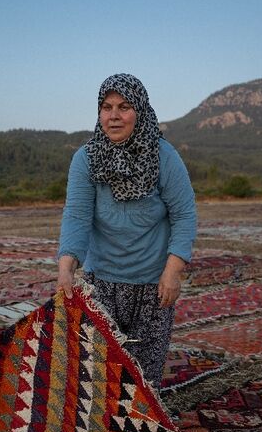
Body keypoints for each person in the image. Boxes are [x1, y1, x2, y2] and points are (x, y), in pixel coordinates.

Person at [56, 73, 197, 389]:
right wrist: (66, 268)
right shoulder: (86, 159)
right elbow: (77, 217)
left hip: (153, 286)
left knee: (145, 380)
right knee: (97, 374)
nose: (114, 115)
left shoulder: (164, 157)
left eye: (124, 106)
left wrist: (173, 272)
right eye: (106, 107)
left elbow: (184, 216)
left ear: (141, 111)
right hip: (101, 282)